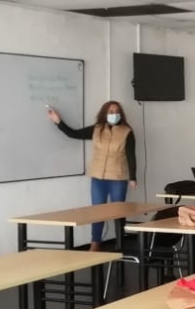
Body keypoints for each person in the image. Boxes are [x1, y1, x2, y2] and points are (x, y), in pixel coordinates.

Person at [48, 101, 136, 251]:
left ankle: (120, 243)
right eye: (111, 112)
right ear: (104, 113)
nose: (114, 114)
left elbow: (131, 155)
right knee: (97, 212)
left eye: (116, 112)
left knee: (119, 212)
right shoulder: (97, 129)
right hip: (98, 177)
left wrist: (133, 177)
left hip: (117, 177)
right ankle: (95, 243)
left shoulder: (126, 132)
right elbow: (73, 133)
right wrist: (58, 122)